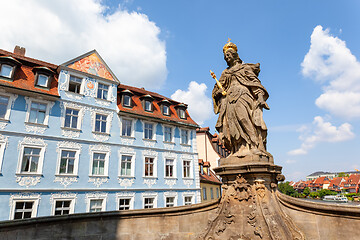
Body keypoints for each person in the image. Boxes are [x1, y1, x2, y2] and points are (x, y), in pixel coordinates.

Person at [212, 40, 270, 158]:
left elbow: (255, 82)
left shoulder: (244, 68)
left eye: (228, 55)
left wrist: (260, 97)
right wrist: (218, 92)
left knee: (244, 118)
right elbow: (218, 89)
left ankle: (254, 146)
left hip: (243, 96)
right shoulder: (225, 72)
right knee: (230, 124)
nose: (226, 57)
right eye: (225, 56)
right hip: (228, 100)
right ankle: (236, 149)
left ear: (234, 55)